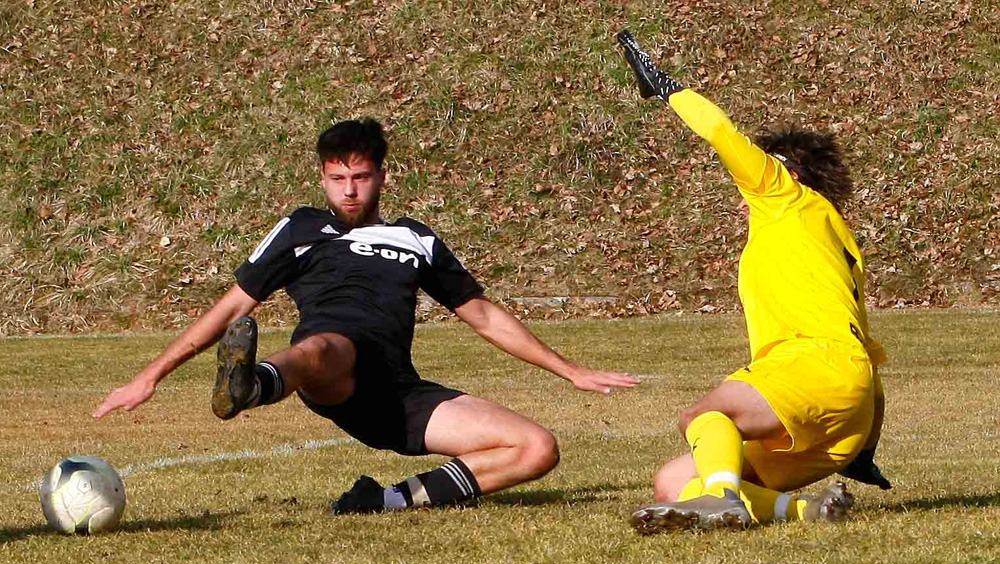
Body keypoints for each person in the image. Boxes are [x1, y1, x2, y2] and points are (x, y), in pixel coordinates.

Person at [94, 118, 639, 513]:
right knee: (327, 345)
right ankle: (250, 385)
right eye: (337, 179)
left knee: (537, 448)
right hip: (329, 369)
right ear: (322, 179)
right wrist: (149, 376)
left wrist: (571, 371)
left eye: (360, 177)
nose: (349, 190)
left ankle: (384, 500)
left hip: (396, 391)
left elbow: (485, 317)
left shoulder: (416, 238)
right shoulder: (302, 229)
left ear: (380, 175)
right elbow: (232, 306)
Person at [616, 30, 890, 533]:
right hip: (849, 412)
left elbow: (720, 131)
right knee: (673, 484)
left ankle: (723, 498)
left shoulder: (782, 194)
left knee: (703, 416)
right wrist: (865, 447)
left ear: (786, 170)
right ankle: (806, 510)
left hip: (810, 371)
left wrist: (666, 87)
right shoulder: (837, 239)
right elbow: (868, 352)